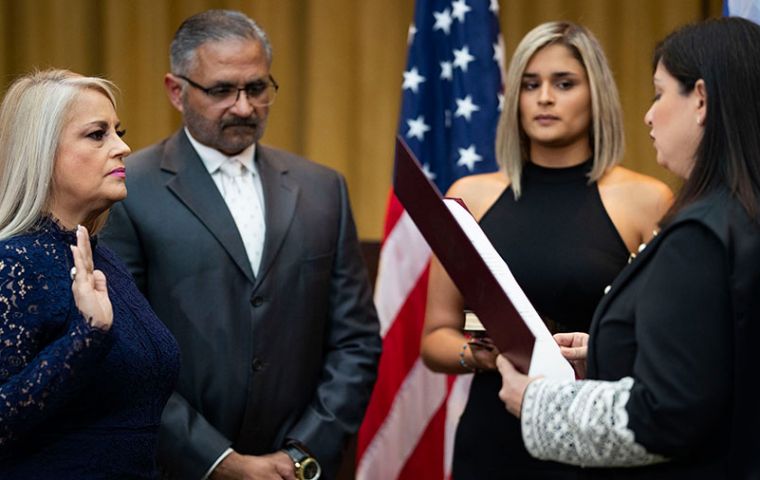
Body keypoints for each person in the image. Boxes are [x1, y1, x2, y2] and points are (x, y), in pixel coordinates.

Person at [100, 9, 381, 480]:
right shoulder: (129, 191)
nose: (244, 107)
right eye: (222, 90)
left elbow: (355, 340)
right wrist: (219, 461)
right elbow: (125, 352)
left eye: (257, 88)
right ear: (176, 90)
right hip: (174, 467)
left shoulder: (323, 188)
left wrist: (302, 452)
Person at [497, 17, 760, 479]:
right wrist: (606, 350)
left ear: (700, 99)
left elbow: (667, 415)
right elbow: (718, 360)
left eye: (659, 94)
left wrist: (540, 404)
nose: (649, 114)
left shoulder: (699, 235)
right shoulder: (742, 215)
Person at [420, 21, 673, 479]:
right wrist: (479, 356)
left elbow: (666, 343)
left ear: (596, 95)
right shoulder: (470, 196)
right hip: (493, 433)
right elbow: (435, 336)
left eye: (564, 83)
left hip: (593, 435)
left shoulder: (646, 199)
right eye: (530, 85)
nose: (545, 98)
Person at [0, 69, 179, 478]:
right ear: (42, 151)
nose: (123, 147)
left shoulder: (104, 260)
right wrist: (86, 339)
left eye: (119, 131)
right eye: (98, 134)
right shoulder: (14, 263)